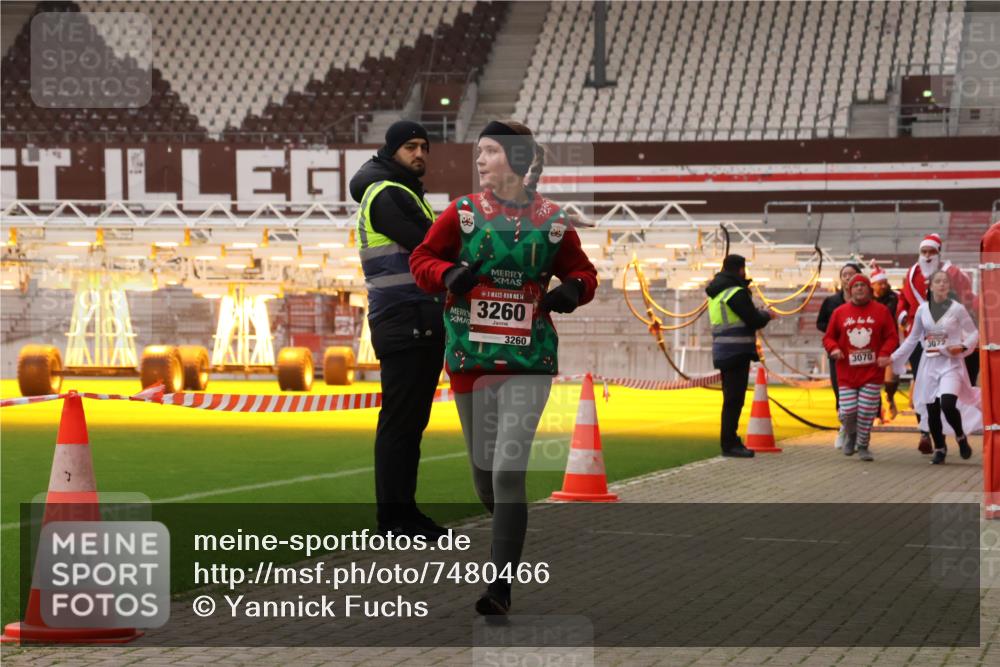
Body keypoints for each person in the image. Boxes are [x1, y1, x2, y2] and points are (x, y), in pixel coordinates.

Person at [410, 120, 598, 618]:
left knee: (509, 472)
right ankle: (510, 533)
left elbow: (584, 271)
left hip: (529, 359)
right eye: (479, 152)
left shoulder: (553, 221)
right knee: (484, 480)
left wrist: (573, 290)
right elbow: (422, 257)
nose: (480, 160)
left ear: (514, 158)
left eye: (489, 151)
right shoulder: (463, 214)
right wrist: (448, 272)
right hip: (470, 360)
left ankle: (500, 586)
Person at [349, 120, 445, 538]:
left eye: (424, 146)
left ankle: (404, 514)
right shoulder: (387, 194)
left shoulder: (402, 192)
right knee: (400, 424)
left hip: (416, 320)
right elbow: (432, 246)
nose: (420, 153)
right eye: (410, 146)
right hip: (405, 320)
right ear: (391, 151)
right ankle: (393, 520)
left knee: (408, 424)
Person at [897, 233, 979, 452]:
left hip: (951, 341)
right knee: (922, 387)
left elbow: (967, 299)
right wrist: (904, 317)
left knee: (952, 395)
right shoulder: (912, 273)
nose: (927, 255)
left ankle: (958, 433)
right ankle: (927, 433)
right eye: (924, 251)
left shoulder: (953, 273)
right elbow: (903, 300)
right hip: (923, 339)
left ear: (938, 253)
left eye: (931, 251)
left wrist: (963, 336)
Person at [823, 274, 899, 462]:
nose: (859, 288)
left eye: (862, 285)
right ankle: (851, 435)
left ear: (869, 289)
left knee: (866, 411)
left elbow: (892, 336)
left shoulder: (881, 311)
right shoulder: (839, 313)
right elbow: (828, 337)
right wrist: (834, 349)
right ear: (850, 290)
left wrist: (884, 354)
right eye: (855, 285)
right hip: (846, 372)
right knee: (847, 411)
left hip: (872, 372)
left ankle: (863, 445)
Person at [705, 254, 774, 458]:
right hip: (737, 351)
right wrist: (766, 315)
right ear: (741, 270)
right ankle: (729, 443)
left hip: (724, 350)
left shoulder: (717, 292)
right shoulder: (735, 292)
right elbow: (753, 320)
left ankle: (730, 440)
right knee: (734, 400)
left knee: (731, 399)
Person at [816, 262, 862, 448]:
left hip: (861, 356)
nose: (848, 278)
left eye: (852, 274)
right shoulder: (831, 302)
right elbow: (821, 324)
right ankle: (844, 428)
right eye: (844, 275)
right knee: (841, 394)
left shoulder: (869, 303)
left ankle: (859, 433)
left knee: (861, 395)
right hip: (839, 356)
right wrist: (836, 331)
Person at [870, 264, 901, 419]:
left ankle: (890, 397)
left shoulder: (893, 297)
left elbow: (891, 312)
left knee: (891, 378)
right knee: (873, 380)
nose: (883, 286)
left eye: (885, 282)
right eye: (879, 283)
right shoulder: (866, 299)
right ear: (872, 284)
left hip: (890, 342)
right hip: (872, 343)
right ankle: (877, 413)